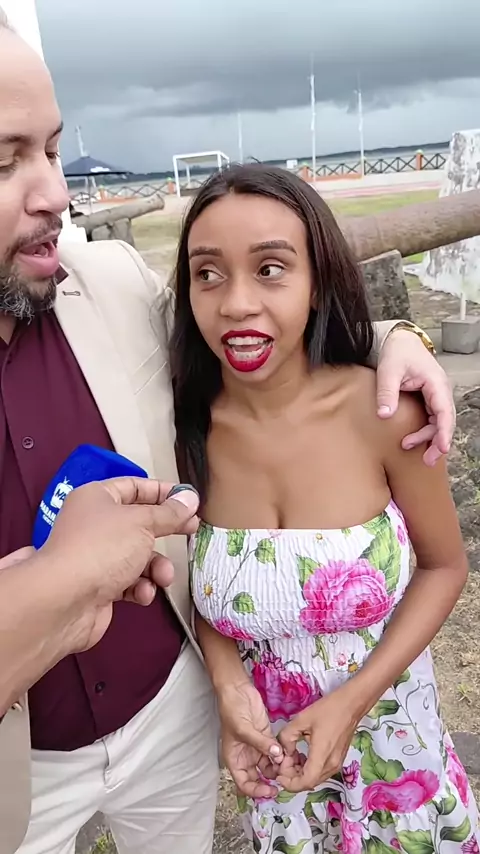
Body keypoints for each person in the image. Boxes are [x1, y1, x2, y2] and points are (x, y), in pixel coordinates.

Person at [0, 9, 457, 854]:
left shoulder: (106, 283)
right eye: (5, 160)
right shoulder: (202, 426)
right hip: (20, 776)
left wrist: (400, 338)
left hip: (176, 731)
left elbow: (248, 322)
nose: (56, 194)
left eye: (55, 151)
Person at [171, 163, 478, 854]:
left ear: (317, 284)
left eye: (271, 269)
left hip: (398, 754)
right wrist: (227, 684)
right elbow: (199, 587)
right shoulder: (183, 431)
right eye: (208, 274)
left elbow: (444, 568)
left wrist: (352, 702)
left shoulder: (384, 411)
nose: (236, 303)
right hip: (277, 775)